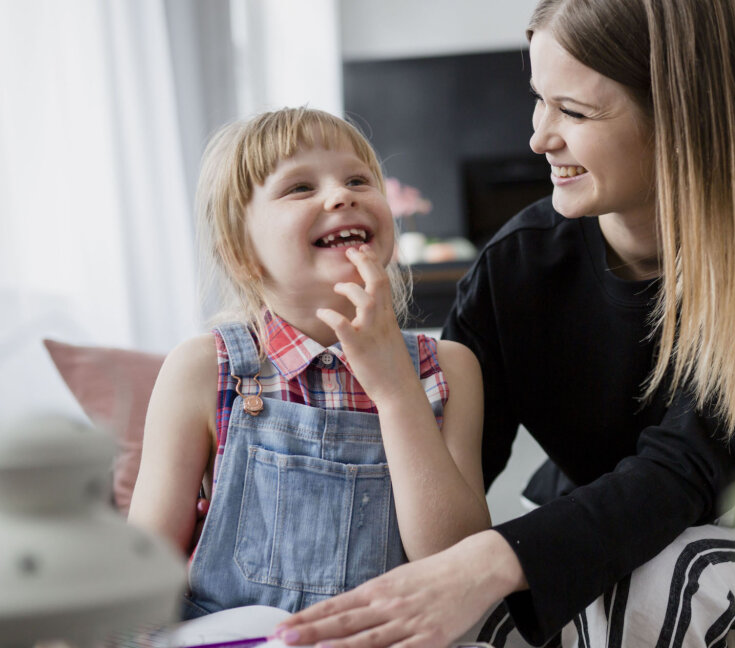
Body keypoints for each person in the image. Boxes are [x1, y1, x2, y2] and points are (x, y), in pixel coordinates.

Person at [274, 1, 735, 648]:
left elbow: (686, 471)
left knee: (649, 586)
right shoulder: (515, 268)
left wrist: (494, 561)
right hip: (597, 511)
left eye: (573, 112)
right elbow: (450, 488)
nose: (539, 137)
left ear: (678, 118)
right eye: (538, 101)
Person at [127, 106, 489, 617]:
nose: (342, 195)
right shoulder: (203, 370)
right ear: (241, 251)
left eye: (359, 179)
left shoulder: (447, 368)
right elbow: (142, 568)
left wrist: (395, 391)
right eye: (300, 188)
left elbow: (456, 563)